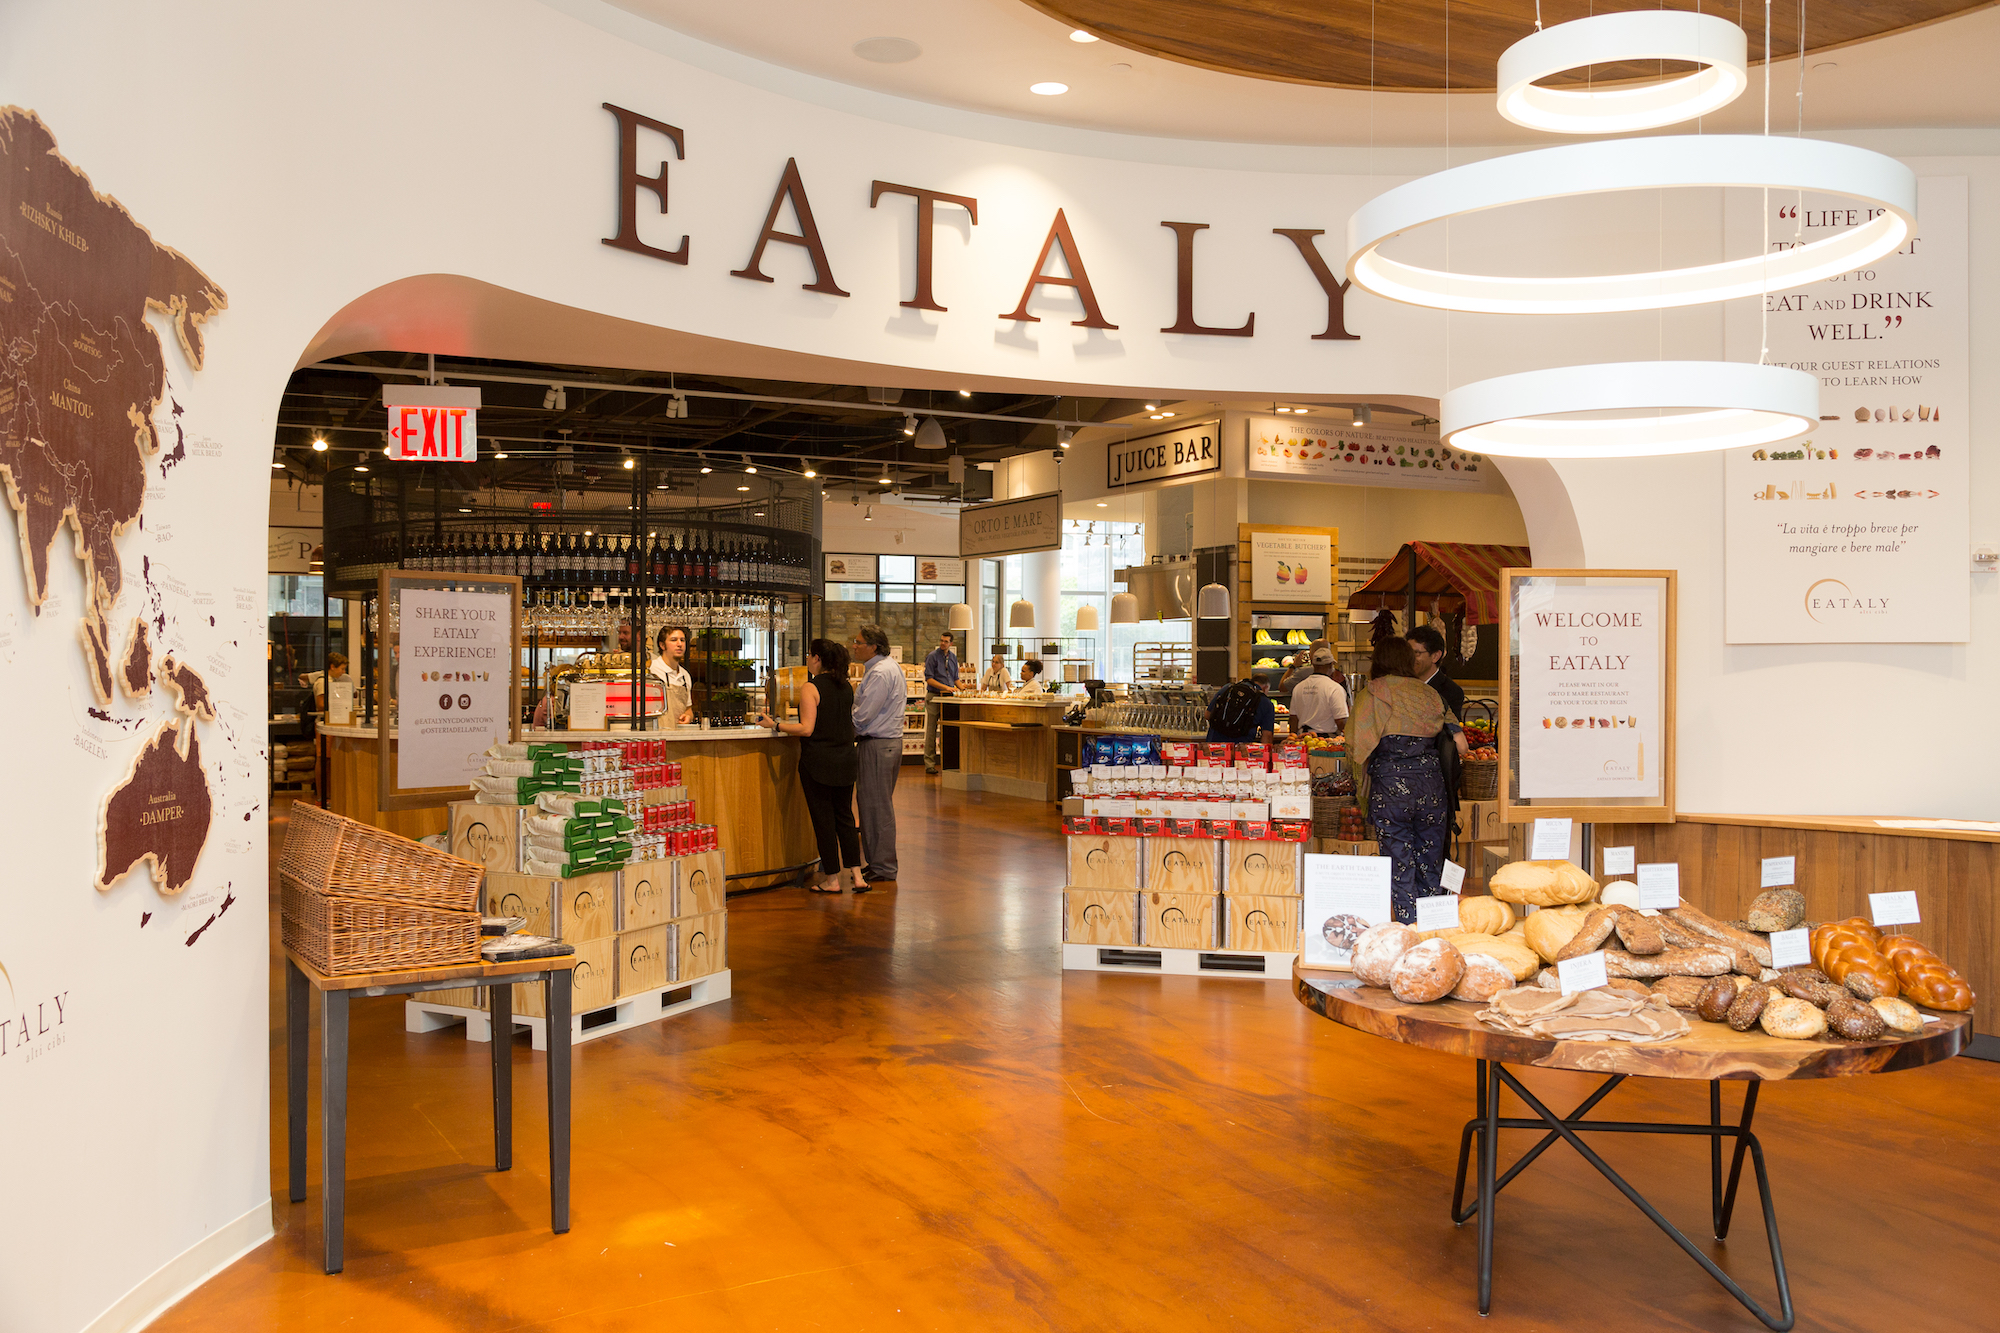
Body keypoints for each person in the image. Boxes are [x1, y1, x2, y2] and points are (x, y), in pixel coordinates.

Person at [1349, 637, 1468, 923]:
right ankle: (1434, 931)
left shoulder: (1374, 692)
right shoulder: (1429, 694)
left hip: (1391, 790)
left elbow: (1357, 746)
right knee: (1431, 861)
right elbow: (1462, 745)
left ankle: (1409, 928)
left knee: (1399, 865)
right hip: (1431, 787)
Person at [757, 639, 860, 894]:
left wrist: (775, 725)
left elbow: (806, 728)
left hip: (819, 763)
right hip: (846, 760)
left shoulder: (810, 687)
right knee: (846, 819)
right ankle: (858, 876)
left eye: (808, 655)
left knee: (824, 821)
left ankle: (833, 880)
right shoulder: (846, 686)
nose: (807, 660)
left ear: (817, 658)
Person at [848, 623, 903, 891]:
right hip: (883, 744)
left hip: (878, 745)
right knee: (871, 806)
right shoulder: (881, 669)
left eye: (858, 642)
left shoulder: (881, 673)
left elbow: (862, 716)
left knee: (876, 808)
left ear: (874, 646)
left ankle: (883, 867)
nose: (854, 646)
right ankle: (878, 863)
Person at [1407, 624, 1466, 721]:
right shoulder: (1401, 683)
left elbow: (1451, 731)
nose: (1410, 658)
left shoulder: (1451, 691)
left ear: (1435, 656)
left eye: (1416, 653)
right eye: (1407, 652)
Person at [1288, 645, 1349, 737]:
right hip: (1325, 740)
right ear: (1330, 664)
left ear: (1313, 664)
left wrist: (1293, 738)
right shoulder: (1334, 688)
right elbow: (1341, 721)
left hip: (1303, 738)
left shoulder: (1299, 687)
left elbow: (1293, 719)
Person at [922, 631, 959, 776]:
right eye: (941, 640)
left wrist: (964, 689)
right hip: (934, 696)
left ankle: (947, 763)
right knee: (931, 731)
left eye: (946, 641)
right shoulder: (932, 657)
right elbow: (929, 679)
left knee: (948, 731)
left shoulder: (953, 658)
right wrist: (946, 687)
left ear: (951, 644)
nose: (943, 643)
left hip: (948, 698)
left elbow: (955, 679)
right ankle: (929, 764)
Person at [1205, 675, 1275, 745]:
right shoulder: (1266, 702)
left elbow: (1207, 715)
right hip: (1241, 749)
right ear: (1265, 688)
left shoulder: (1228, 688)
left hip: (1214, 745)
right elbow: (1267, 737)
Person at [649, 625, 696, 725]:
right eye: (674, 640)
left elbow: (688, 709)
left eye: (682, 640)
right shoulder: (651, 670)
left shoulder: (685, 675)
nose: (679, 644)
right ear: (662, 645)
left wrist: (688, 717)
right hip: (656, 734)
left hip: (678, 736)